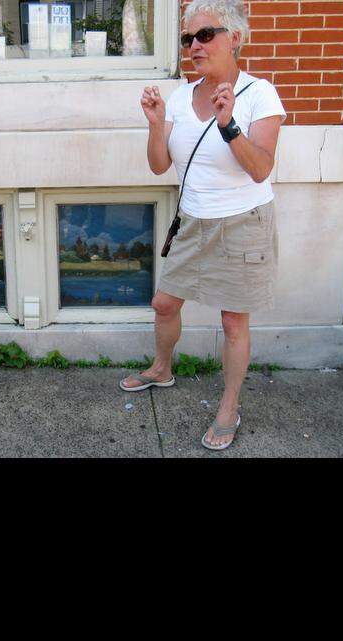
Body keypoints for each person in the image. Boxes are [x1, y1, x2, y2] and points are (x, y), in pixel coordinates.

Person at [121, 0, 286, 451]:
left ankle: (229, 407)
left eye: (204, 35)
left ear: (234, 37)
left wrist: (229, 123)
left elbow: (260, 169)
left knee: (233, 321)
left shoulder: (260, 94)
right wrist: (156, 126)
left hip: (242, 222)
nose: (194, 46)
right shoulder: (180, 95)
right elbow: (159, 166)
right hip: (192, 221)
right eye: (187, 39)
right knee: (164, 303)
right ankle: (162, 367)